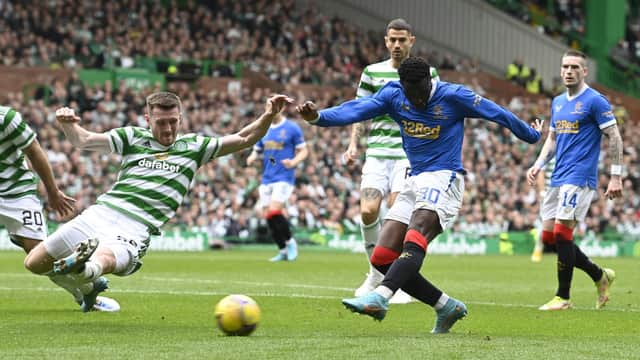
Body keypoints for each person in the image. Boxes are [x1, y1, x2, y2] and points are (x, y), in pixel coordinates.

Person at [296, 56, 542, 333]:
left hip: (444, 177)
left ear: (429, 81)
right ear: (401, 85)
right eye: (409, 91)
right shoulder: (393, 95)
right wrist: (318, 117)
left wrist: (531, 135)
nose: (415, 98)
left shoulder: (453, 95)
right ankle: (446, 306)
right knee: (382, 257)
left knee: (415, 236)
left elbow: (496, 112)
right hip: (413, 179)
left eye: (419, 90)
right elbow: (357, 109)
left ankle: (381, 296)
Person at [23, 91, 292, 312]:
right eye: (161, 122)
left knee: (106, 257)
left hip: (136, 225)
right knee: (34, 263)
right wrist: (68, 123)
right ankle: (86, 286)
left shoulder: (194, 147)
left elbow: (245, 138)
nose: (168, 128)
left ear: (180, 118)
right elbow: (84, 141)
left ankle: (87, 270)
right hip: (101, 212)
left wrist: (268, 115)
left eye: (173, 121)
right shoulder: (132, 138)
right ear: (147, 118)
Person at [343, 18, 439, 304]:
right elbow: (359, 110)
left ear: (412, 40)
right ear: (386, 41)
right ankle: (375, 272)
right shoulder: (372, 73)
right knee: (369, 211)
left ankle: (396, 281)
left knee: (399, 212)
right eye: (392, 40)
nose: (397, 45)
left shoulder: (427, 73)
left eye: (402, 40)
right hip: (377, 153)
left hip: (409, 154)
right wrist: (352, 145)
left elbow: (437, 108)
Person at [527, 50, 623, 311]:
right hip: (557, 176)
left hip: (580, 176)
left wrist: (615, 175)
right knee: (548, 237)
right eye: (565, 67)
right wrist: (537, 164)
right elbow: (553, 139)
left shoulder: (595, 101)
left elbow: (614, 137)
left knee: (561, 232)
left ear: (584, 71)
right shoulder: (557, 101)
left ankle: (563, 297)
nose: (568, 71)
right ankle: (599, 276)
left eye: (574, 67)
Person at [0, 105, 118, 311]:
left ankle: (86, 292)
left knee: (40, 256)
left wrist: (53, 193)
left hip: (16, 193)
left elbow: (34, 151)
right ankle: (88, 291)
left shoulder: (7, 118)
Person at [246, 113, 308, 261]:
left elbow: (304, 150)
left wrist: (294, 162)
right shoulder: (264, 129)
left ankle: (290, 242)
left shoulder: (292, 128)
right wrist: (252, 156)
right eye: (269, 106)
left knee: (274, 211)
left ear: (281, 108)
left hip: (284, 177)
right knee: (267, 215)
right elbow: (257, 148)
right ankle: (283, 250)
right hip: (267, 178)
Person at [530, 156, 556, 263]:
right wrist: (542, 191)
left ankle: (562, 252)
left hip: (563, 192)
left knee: (562, 223)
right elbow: (541, 171)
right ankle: (538, 248)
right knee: (545, 222)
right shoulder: (550, 153)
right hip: (549, 193)